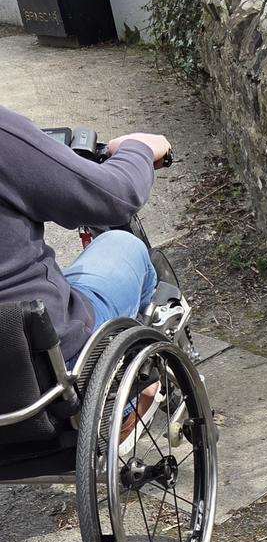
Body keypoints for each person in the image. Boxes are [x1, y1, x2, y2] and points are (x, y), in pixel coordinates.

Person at [0, 104, 171, 363]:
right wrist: (139, 148)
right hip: (43, 357)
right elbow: (116, 196)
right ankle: (144, 373)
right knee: (123, 245)